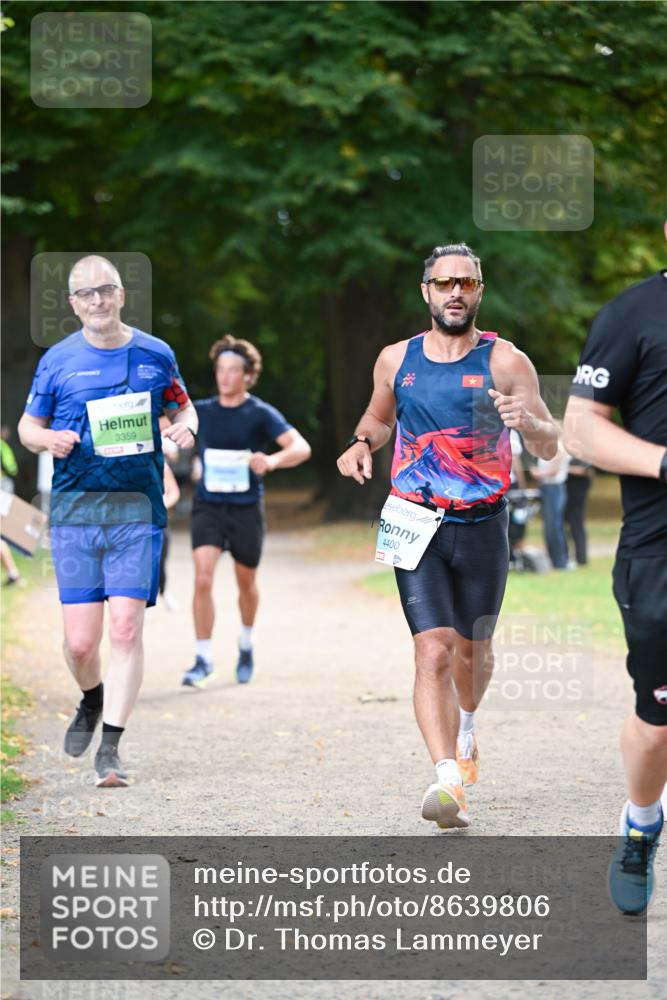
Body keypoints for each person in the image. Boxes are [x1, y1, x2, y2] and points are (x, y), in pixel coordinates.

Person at [337, 243, 558, 830]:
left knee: (472, 652)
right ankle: (447, 781)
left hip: (483, 524)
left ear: (479, 291)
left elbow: (549, 443)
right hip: (414, 520)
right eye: (443, 283)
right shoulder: (395, 359)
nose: (455, 291)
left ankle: (467, 728)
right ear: (426, 292)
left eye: (465, 282)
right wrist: (362, 444)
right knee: (431, 648)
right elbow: (379, 419)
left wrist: (529, 422)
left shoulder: (507, 360)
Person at [18, 255, 197, 787]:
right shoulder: (57, 360)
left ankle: (111, 750)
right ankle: (91, 697)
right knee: (80, 643)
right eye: (85, 294)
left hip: (136, 511)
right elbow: (29, 426)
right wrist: (47, 439)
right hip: (75, 513)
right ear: (73, 304)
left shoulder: (155, 354)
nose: (96, 301)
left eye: (105, 290)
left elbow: (183, 408)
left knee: (124, 628)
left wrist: (185, 429)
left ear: (121, 294)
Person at [564, 236, 667, 916]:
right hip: (659, 550)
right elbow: (580, 431)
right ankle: (640, 822)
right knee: (658, 723)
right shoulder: (632, 314)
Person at [182, 335, 311, 688]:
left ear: (248, 375)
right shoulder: (202, 411)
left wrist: (270, 459)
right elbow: (171, 430)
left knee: (246, 582)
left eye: (233, 371)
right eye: (220, 370)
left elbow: (301, 447)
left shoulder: (260, 413)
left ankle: (245, 643)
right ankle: (203, 658)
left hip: (245, 508)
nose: (225, 377)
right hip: (208, 504)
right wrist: (188, 459)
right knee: (203, 576)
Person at [529, 432, 570, 570]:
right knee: (549, 526)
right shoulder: (547, 448)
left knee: (554, 526)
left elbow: (554, 470)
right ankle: (553, 559)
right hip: (546, 488)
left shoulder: (558, 447)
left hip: (554, 489)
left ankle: (561, 561)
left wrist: (537, 473)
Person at [564, 459, 593, 566]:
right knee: (568, 526)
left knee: (577, 525)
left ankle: (581, 557)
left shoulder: (582, 454)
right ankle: (570, 556)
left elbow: (585, 471)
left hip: (577, 492)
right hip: (570, 491)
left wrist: (564, 468)